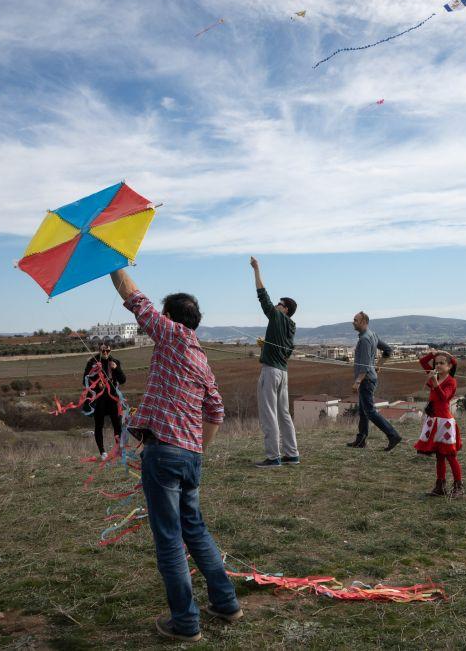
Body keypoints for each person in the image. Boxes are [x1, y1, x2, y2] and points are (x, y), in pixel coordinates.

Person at [109, 269, 241, 643]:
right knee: (195, 530)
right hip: (189, 457)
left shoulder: (170, 335)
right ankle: (227, 603)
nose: (159, 319)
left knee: (169, 539)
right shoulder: (201, 358)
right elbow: (216, 411)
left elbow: (136, 299)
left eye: (163, 314)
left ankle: (185, 622)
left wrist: (112, 260)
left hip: (164, 454)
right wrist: (198, 448)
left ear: (170, 317)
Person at [248, 257, 300, 468]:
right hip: (283, 373)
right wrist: (266, 346)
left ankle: (273, 457)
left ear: (285, 309)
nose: (277, 305)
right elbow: (285, 352)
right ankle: (292, 454)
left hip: (270, 372)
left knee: (269, 413)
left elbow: (263, 296)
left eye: (280, 304)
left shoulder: (277, 317)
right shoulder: (291, 327)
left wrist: (256, 269)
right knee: (284, 414)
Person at [346, 312, 402, 451]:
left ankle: (393, 435)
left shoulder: (365, 339)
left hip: (366, 380)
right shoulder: (373, 335)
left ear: (364, 321)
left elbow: (364, 365)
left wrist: (358, 381)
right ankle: (361, 440)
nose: (353, 322)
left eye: (355, 320)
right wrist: (379, 365)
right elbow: (388, 350)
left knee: (370, 411)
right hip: (370, 377)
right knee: (363, 411)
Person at [414, 351, 463, 498]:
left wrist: (435, 382)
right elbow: (423, 362)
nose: (438, 365)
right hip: (434, 420)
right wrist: (432, 354)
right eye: (436, 363)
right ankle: (440, 486)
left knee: (449, 455)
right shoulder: (434, 375)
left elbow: (444, 398)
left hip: (445, 423)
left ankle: (458, 487)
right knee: (439, 456)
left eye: (442, 363)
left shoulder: (451, 381)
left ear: (449, 366)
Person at [83, 342, 127, 459]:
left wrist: (116, 369)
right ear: (99, 350)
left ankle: (119, 450)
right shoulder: (92, 362)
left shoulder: (115, 362)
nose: (106, 353)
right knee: (99, 426)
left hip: (113, 399)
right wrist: (94, 373)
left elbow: (122, 380)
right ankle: (102, 452)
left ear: (110, 350)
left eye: (108, 351)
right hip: (98, 400)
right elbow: (85, 381)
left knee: (117, 425)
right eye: (103, 351)